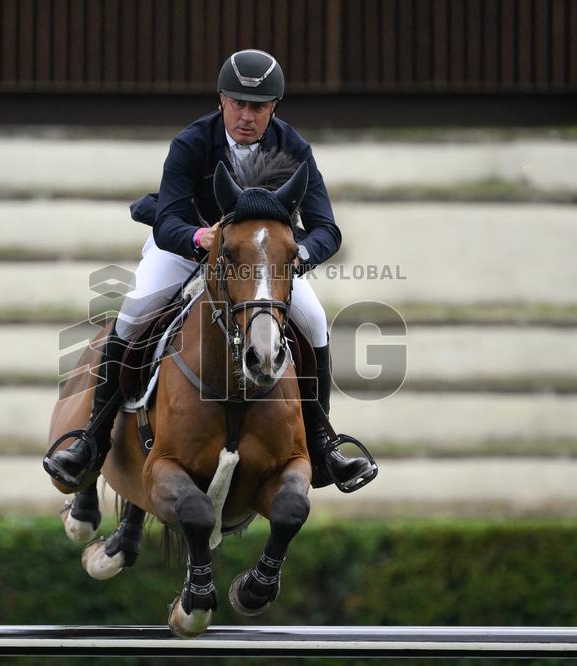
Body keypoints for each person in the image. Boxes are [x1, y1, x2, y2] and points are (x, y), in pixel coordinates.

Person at [49, 49, 374, 493]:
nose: (246, 115)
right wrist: (201, 239)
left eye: (258, 106)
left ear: (273, 108)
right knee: (131, 313)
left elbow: (327, 229)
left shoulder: (294, 148)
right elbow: (167, 222)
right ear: (221, 99)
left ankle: (322, 443)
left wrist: (298, 255)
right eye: (237, 103)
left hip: (260, 264)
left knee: (315, 322)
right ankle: (92, 439)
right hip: (187, 249)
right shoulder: (191, 142)